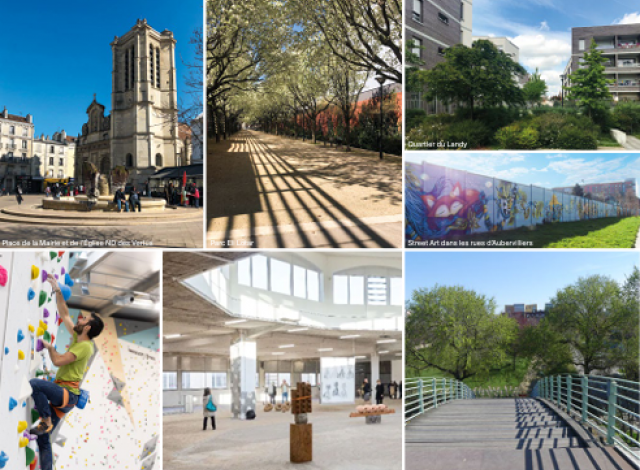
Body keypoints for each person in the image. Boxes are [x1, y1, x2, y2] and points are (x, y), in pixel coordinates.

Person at [30, 274, 104, 470]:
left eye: (84, 319)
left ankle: (46, 419)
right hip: (62, 395)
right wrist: (56, 289)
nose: (80, 319)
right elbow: (64, 314)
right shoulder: (78, 336)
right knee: (44, 440)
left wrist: (49, 347)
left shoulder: (85, 347)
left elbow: (57, 360)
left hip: (68, 394)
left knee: (35, 385)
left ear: (87, 327)